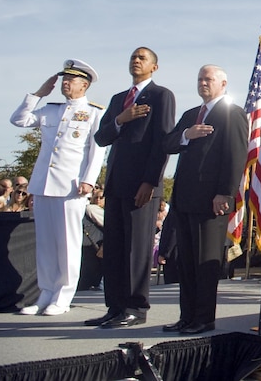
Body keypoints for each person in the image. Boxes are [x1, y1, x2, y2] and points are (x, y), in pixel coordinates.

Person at [87, 47, 175, 329]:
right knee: (114, 247)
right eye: (133, 58)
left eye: (142, 58)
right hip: (116, 183)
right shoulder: (118, 100)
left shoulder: (161, 95)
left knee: (136, 250)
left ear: (154, 67)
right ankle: (115, 307)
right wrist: (120, 119)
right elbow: (101, 137)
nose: (136, 61)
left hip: (142, 185)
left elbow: (162, 140)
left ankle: (136, 308)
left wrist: (151, 181)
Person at [9, 59, 105, 315]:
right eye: (64, 79)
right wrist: (38, 95)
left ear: (84, 85)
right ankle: (45, 294)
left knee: (67, 243)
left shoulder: (94, 112)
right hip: (43, 184)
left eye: (71, 80)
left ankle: (62, 296)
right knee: (47, 244)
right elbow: (19, 120)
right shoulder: (50, 109)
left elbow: (96, 151)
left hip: (70, 187)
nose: (65, 83)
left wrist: (88, 179)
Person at [163, 65, 247, 334]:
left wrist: (226, 192)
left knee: (204, 263)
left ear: (223, 83)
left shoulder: (231, 113)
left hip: (212, 201)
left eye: (208, 79)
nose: (203, 83)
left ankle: (204, 318)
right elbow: (167, 143)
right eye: (199, 79)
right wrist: (187, 135)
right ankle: (187, 316)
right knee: (185, 262)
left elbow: (236, 155)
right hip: (185, 199)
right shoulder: (191, 115)